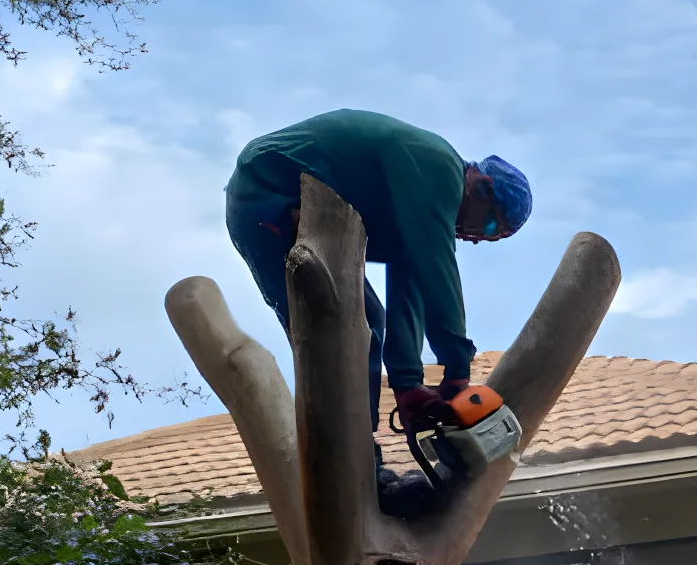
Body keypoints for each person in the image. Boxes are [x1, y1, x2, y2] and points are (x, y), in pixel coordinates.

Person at [224, 110, 532, 518]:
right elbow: (435, 272)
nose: (476, 238)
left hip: (284, 198)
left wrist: (408, 387)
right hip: (269, 189)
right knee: (335, 336)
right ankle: (353, 473)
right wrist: (457, 370)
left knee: (363, 324)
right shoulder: (440, 167)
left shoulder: (421, 200)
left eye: (492, 238)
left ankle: (359, 468)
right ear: (481, 185)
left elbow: (413, 285)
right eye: (491, 224)